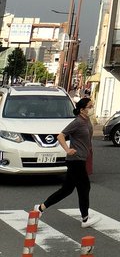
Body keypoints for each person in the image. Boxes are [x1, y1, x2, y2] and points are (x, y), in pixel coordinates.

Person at [32, 96, 94, 227]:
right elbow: (60, 136)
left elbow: (87, 139)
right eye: (90, 107)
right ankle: (85, 218)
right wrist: (67, 149)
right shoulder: (77, 122)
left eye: (92, 106)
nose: (92, 109)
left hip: (81, 159)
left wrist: (88, 152)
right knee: (84, 187)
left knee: (66, 189)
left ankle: (40, 208)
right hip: (75, 160)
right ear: (82, 110)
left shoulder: (88, 121)